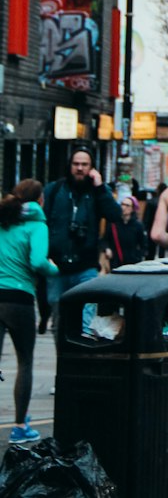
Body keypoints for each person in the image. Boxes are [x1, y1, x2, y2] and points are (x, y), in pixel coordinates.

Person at [0, 180, 59, 444]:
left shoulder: (3, 220)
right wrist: (53, 268)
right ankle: (19, 426)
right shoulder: (37, 225)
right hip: (19, 298)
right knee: (24, 362)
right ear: (39, 200)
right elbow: (37, 261)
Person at [43, 146, 121, 330]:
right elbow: (43, 222)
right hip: (57, 267)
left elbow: (114, 215)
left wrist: (101, 187)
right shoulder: (54, 190)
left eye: (84, 165)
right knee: (59, 320)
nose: (80, 168)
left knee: (85, 320)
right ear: (69, 166)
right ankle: (63, 357)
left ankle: (81, 356)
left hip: (86, 266)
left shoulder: (98, 192)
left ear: (92, 168)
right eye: (76, 164)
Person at [102, 195, 148, 269]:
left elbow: (144, 245)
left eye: (127, 205)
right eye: (122, 204)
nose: (123, 207)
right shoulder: (113, 223)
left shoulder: (138, 225)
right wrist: (107, 249)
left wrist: (138, 257)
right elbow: (105, 240)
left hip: (132, 264)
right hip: (116, 263)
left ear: (132, 209)